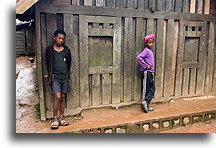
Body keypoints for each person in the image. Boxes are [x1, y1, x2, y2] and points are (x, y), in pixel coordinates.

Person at [45, 30, 72, 129]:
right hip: (55, 76)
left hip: (64, 76)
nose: (61, 40)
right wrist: (48, 73)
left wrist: (67, 73)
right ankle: (55, 119)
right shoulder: (49, 49)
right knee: (58, 96)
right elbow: (47, 62)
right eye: (59, 38)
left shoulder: (66, 50)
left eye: (63, 39)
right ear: (54, 38)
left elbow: (68, 62)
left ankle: (62, 118)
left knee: (63, 96)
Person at [136, 34, 156, 113]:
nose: (151, 44)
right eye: (149, 42)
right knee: (146, 89)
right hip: (146, 72)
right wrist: (146, 66)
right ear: (146, 43)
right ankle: (144, 103)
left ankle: (146, 103)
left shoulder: (149, 51)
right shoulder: (146, 51)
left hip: (150, 73)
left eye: (152, 42)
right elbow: (138, 57)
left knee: (152, 89)